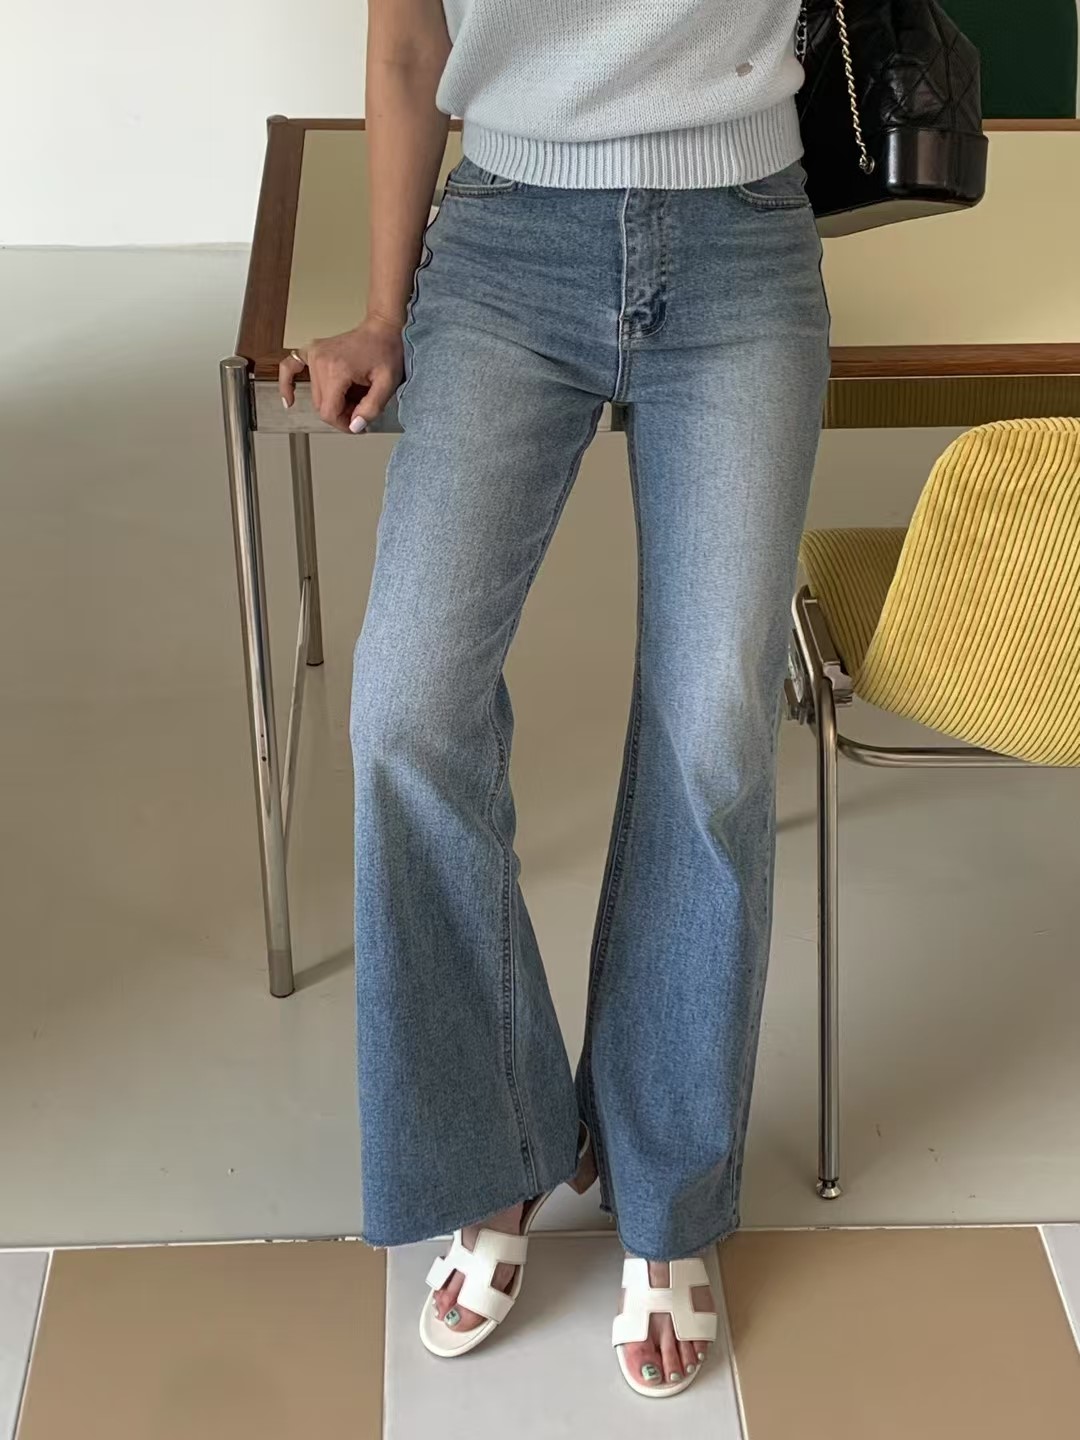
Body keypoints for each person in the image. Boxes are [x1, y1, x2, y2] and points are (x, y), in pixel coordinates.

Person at [279, 0, 829, 1399]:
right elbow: (409, 47)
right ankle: (500, 1143)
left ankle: (664, 1186)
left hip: (744, 236)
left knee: (717, 730)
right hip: (507, 244)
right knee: (406, 706)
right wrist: (385, 311)